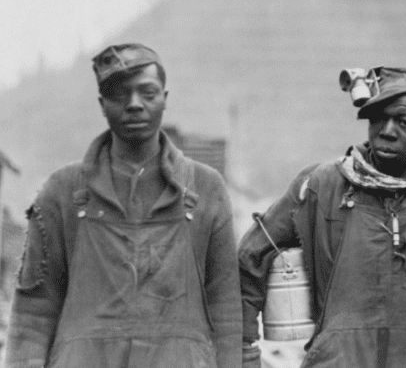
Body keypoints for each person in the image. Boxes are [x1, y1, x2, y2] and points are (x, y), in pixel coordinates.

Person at [239, 66, 406, 368]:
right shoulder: (319, 188)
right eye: (378, 119)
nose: (387, 131)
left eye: (404, 122)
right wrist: (245, 351)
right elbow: (250, 258)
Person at [4, 43, 242, 368]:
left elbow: (227, 311)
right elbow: (33, 314)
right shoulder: (61, 192)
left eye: (147, 93)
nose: (134, 105)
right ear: (102, 104)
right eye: (119, 95)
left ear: (164, 99)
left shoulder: (206, 188)